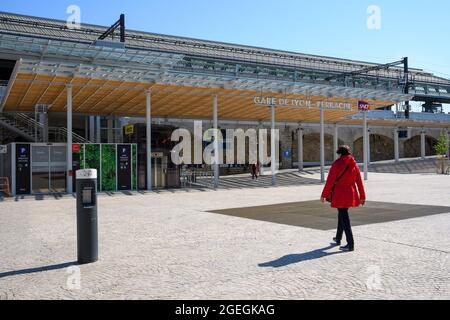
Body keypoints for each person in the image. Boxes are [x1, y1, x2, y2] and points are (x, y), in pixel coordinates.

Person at [320, 145, 366, 252]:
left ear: (340, 153)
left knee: (344, 217)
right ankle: (338, 238)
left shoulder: (337, 164)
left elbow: (330, 181)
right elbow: (359, 182)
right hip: (351, 193)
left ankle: (350, 244)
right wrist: (362, 196)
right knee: (342, 213)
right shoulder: (354, 165)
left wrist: (324, 195)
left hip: (340, 193)